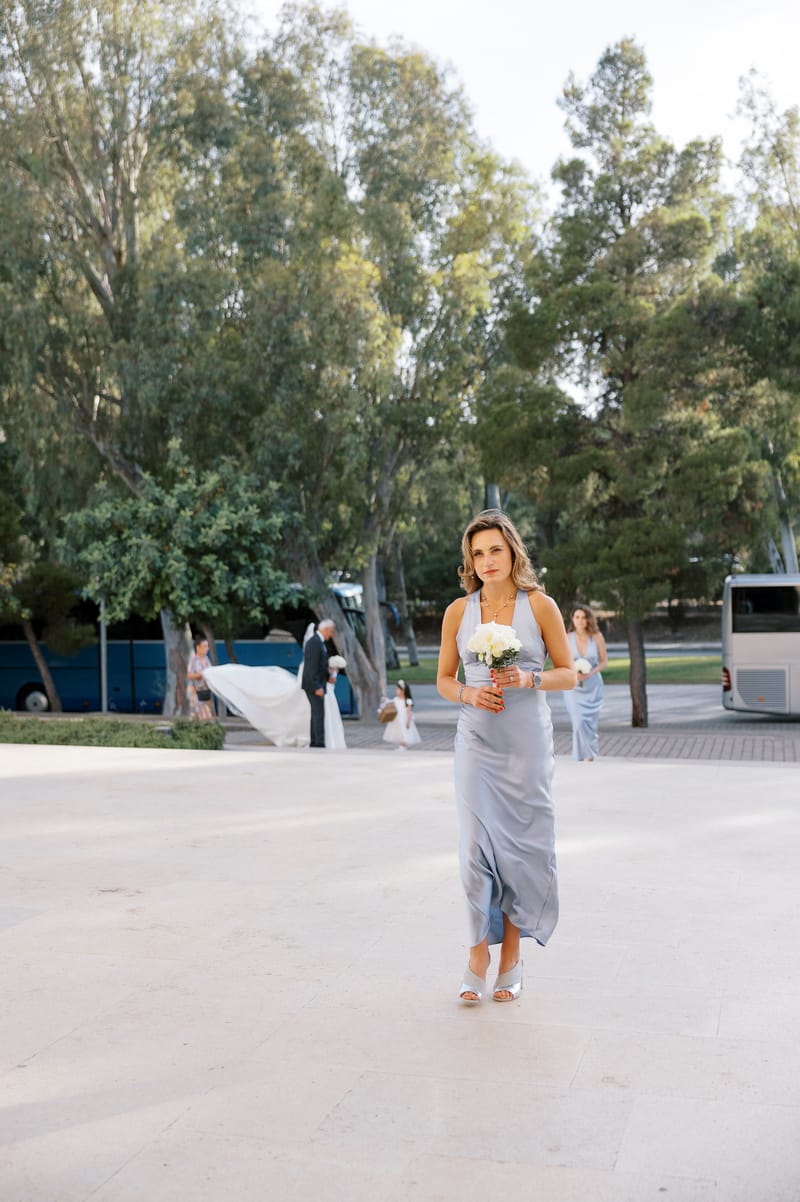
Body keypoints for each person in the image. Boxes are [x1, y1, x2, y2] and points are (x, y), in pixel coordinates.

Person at [437, 510, 576, 1004]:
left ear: (513, 551)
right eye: (477, 553)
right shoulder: (459, 612)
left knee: (519, 851)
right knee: (475, 849)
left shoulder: (540, 606)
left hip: (526, 743)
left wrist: (528, 678)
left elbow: (569, 674)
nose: (487, 560)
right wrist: (469, 694)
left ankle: (511, 957)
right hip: (476, 741)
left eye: (495, 549)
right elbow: (444, 680)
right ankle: (478, 953)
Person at [564, 604, 608, 761]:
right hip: (573, 687)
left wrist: (591, 672)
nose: (580, 620)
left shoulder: (597, 637)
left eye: (583, 617)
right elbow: (562, 662)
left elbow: (604, 662)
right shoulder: (567, 638)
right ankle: (580, 755)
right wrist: (573, 673)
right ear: (572, 619)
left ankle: (590, 753)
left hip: (593, 686)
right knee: (578, 721)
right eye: (577, 617)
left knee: (590, 722)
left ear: (588, 620)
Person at [301, 618, 336, 747]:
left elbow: (320, 665)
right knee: (318, 714)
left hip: (318, 683)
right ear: (325, 629)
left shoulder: (319, 642)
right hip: (314, 685)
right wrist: (317, 686)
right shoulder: (314, 643)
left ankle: (316, 742)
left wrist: (328, 677)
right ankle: (318, 743)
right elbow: (311, 667)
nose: (331, 635)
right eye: (331, 632)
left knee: (317, 714)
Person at [382, 679, 421, 750]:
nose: (396, 691)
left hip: (404, 719)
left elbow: (409, 712)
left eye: (398, 689)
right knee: (399, 732)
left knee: (404, 732)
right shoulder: (396, 699)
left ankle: (403, 746)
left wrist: (408, 721)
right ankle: (401, 745)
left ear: (403, 691)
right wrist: (386, 701)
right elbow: (391, 703)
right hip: (397, 720)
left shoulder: (408, 700)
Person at [187, 636, 215, 720]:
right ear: (198, 647)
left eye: (207, 646)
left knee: (207, 717)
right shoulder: (194, 660)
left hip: (206, 693)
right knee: (200, 717)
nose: (207, 648)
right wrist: (201, 674)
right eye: (204, 646)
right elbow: (189, 676)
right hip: (196, 693)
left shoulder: (207, 659)